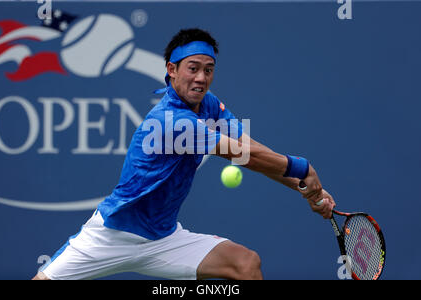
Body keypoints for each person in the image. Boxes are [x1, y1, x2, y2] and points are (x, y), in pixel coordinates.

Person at [33, 28, 335, 280]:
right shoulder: (170, 121)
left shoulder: (208, 104)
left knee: (246, 264)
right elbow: (244, 156)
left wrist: (301, 186)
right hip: (112, 234)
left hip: (165, 238)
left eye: (208, 70)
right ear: (172, 70)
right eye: (193, 69)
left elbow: (251, 149)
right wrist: (302, 168)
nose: (201, 78)